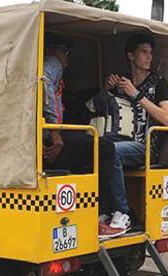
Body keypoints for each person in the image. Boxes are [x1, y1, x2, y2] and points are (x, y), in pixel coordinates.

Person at [41, 34, 122, 239]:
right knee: (104, 148)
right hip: (48, 137)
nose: (67, 58)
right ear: (53, 51)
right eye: (65, 52)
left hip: (43, 137)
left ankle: (84, 213)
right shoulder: (52, 64)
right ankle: (98, 218)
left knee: (86, 160)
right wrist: (55, 131)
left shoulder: (56, 68)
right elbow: (45, 80)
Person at [101, 34, 168, 232]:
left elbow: (167, 118)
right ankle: (104, 210)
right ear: (131, 56)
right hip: (122, 139)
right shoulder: (123, 84)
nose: (149, 57)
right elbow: (101, 108)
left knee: (111, 151)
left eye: (150, 53)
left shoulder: (158, 83)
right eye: (143, 52)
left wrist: (137, 95)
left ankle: (122, 213)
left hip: (146, 146)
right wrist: (107, 89)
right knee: (98, 146)